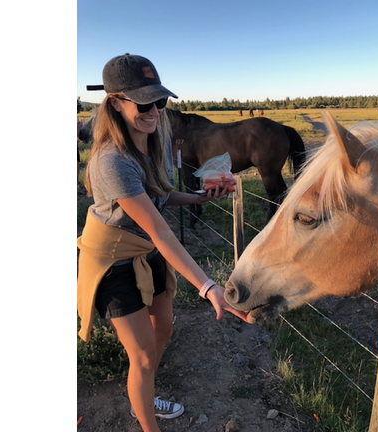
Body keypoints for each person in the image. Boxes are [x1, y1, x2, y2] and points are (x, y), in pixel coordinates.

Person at [76, 53, 251, 432]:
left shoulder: (153, 142)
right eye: (143, 102)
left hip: (145, 251)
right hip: (114, 260)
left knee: (164, 330)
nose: (155, 109)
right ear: (115, 103)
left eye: (160, 100)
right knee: (140, 355)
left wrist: (200, 198)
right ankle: (147, 419)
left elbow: (159, 195)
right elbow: (160, 230)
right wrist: (208, 287)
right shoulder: (112, 160)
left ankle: (143, 389)